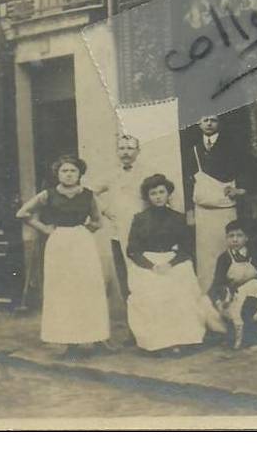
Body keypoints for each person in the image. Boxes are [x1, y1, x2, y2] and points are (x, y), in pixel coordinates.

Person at [16, 155, 110, 358]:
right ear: (57, 174)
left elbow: (97, 221)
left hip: (82, 243)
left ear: (79, 174)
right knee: (63, 290)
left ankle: (95, 336)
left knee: (88, 288)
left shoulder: (88, 195)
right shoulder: (48, 195)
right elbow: (23, 213)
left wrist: (82, 233)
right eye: (64, 171)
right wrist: (45, 228)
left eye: (73, 171)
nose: (68, 175)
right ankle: (70, 343)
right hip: (59, 243)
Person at [126, 174, 226, 353]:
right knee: (153, 290)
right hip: (148, 263)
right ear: (148, 197)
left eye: (161, 192)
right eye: (153, 193)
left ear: (168, 194)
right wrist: (152, 266)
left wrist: (170, 263)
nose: (158, 196)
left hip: (172, 261)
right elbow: (132, 250)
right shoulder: (140, 219)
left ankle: (182, 339)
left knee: (180, 287)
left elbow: (186, 249)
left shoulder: (178, 218)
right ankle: (158, 342)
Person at [182, 115, 257, 292]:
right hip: (202, 212)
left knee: (226, 251)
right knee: (205, 256)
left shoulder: (233, 147)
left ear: (220, 123)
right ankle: (207, 295)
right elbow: (187, 182)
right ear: (198, 123)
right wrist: (189, 210)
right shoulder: (193, 149)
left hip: (225, 211)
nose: (209, 124)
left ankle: (228, 295)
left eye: (213, 120)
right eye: (205, 120)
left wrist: (241, 189)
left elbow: (255, 168)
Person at [93, 134, 147, 344]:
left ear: (137, 151)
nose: (125, 152)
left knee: (142, 280)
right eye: (122, 148)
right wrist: (105, 210)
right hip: (118, 234)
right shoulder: (111, 175)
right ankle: (133, 331)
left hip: (141, 235)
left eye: (130, 148)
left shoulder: (146, 173)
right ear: (117, 152)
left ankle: (147, 329)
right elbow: (91, 192)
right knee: (125, 283)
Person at [209, 220, 257, 348]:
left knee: (253, 285)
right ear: (226, 238)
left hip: (255, 296)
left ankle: (253, 328)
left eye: (239, 236)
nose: (235, 240)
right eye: (231, 236)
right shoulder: (224, 258)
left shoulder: (256, 256)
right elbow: (217, 283)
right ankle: (237, 333)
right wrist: (219, 301)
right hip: (234, 298)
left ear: (246, 238)